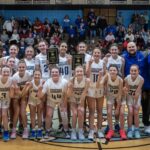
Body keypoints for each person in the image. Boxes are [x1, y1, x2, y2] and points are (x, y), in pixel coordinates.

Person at [38, 67, 70, 139]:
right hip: (51, 99)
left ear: (59, 73)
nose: (54, 73)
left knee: (64, 113)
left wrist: (64, 103)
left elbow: (66, 95)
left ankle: (66, 130)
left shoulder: (64, 82)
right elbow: (41, 95)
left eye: (56, 72)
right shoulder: (47, 82)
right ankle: (48, 130)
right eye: (53, 72)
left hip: (61, 99)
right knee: (48, 114)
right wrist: (39, 89)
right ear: (50, 74)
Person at [86, 47, 106, 140]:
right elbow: (86, 74)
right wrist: (89, 65)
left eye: (98, 53)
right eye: (95, 53)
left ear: (100, 54)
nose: (97, 54)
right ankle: (91, 130)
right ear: (92, 54)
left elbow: (105, 75)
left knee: (99, 110)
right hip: (91, 88)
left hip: (100, 87)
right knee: (91, 110)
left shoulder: (103, 63)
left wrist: (105, 88)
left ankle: (99, 130)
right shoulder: (89, 62)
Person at [67, 66, 90, 140]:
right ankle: (73, 131)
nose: (79, 73)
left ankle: (80, 131)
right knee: (74, 114)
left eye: (81, 71)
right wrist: (70, 88)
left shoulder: (87, 81)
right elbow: (68, 95)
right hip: (73, 99)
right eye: (77, 71)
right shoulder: (71, 80)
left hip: (81, 99)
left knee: (81, 112)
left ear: (83, 72)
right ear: (75, 73)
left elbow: (84, 93)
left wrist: (80, 103)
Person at [11, 60, 31, 139]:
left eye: (23, 67)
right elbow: (17, 92)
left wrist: (23, 95)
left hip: (24, 96)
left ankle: (26, 130)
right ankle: (13, 130)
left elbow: (28, 89)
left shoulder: (29, 75)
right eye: (20, 67)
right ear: (17, 68)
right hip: (16, 96)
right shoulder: (14, 77)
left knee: (23, 112)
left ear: (26, 67)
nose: (21, 68)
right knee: (17, 112)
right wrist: (22, 93)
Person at [22, 69, 44, 139]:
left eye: (38, 75)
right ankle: (33, 130)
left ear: (41, 76)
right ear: (33, 76)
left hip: (40, 99)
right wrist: (26, 87)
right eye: (35, 75)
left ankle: (40, 129)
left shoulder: (43, 82)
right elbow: (23, 94)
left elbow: (45, 95)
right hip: (32, 100)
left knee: (40, 114)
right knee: (32, 115)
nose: (37, 76)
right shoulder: (31, 83)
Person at [103, 64, 123, 140]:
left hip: (118, 96)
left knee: (118, 112)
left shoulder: (120, 80)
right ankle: (110, 127)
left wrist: (118, 107)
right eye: (110, 70)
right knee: (109, 112)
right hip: (110, 96)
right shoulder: (107, 77)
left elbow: (120, 94)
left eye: (114, 70)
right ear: (108, 71)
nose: (112, 71)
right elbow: (102, 84)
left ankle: (117, 123)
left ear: (117, 71)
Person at [124, 65, 144, 139]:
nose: (133, 72)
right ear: (130, 71)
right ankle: (129, 129)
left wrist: (136, 102)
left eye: (135, 70)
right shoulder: (126, 78)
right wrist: (125, 91)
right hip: (129, 96)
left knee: (136, 113)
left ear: (138, 71)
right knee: (130, 112)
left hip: (137, 96)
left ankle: (136, 130)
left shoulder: (141, 79)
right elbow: (127, 89)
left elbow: (138, 91)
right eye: (132, 70)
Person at [57, 42, 72, 131]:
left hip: (68, 82)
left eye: (65, 46)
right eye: (62, 46)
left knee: (68, 104)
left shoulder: (70, 57)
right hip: (59, 83)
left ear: (67, 48)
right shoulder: (55, 57)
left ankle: (68, 122)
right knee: (60, 104)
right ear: (59, 47)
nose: (64, 47)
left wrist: (70, 62)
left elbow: (73, 69)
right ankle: (61, 123)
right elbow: (52, 68)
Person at [0, 65, 14, 141]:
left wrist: (12, 89)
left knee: (4, 114)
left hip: (6, 99)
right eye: (4, 71)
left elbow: (11, 96)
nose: (5, 73)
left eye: (7, 72)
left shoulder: (11, 80)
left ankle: (6, 131)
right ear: (1, 72)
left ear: (10, 72)